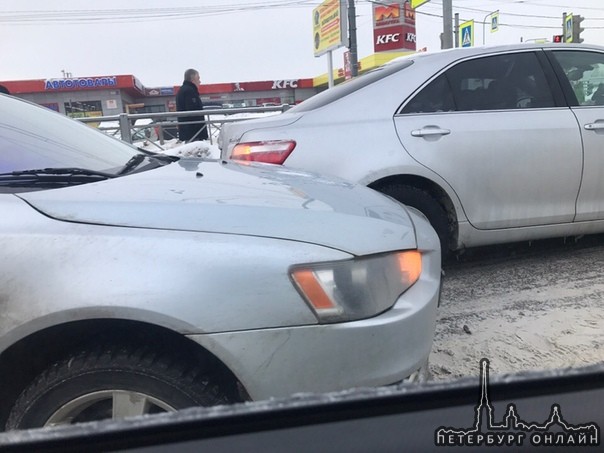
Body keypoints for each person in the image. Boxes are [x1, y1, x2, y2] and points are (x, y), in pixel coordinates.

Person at [175, 69, 208, 142]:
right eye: (198, 78)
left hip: (189, 132)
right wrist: (200, 131)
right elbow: (193, 111)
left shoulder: (183, 90)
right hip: (193, 132)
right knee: (195, 150)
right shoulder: (189, 91)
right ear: (192, 79)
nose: (200, 81)